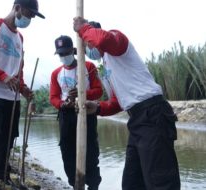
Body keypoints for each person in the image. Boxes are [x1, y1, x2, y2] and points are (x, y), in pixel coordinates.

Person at [73, 17, 181, 190]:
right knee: (132, 182)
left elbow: (102, 39)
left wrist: (82, 28)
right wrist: (98, 107)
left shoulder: (117, 41)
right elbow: (118, 102)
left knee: (160, 182)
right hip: (137, 120)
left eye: (87, 44)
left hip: (152, 114)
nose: (88, 50)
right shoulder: (106, 67)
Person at [0, 0, 44, 189]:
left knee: (9, 136)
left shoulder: (20, 38)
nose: (30, 19)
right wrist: (2, 76)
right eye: (29, 14)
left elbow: (17, 71)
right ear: (18, 8)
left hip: (11, 96)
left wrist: (24, 89)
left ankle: (2, 175)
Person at [49, 35, 103, 190]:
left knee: (91, 151)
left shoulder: (88, 66)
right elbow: (53, 97)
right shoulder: (56, 74)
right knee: (67, 152)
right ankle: (75, 185)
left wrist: (82, 94)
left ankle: (93, 185)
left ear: (73, 50)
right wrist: (63, 104)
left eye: (66, 52)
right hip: (66, 116)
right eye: (60, 54)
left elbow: (98, 91)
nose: (64, 56)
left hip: (86, 112)